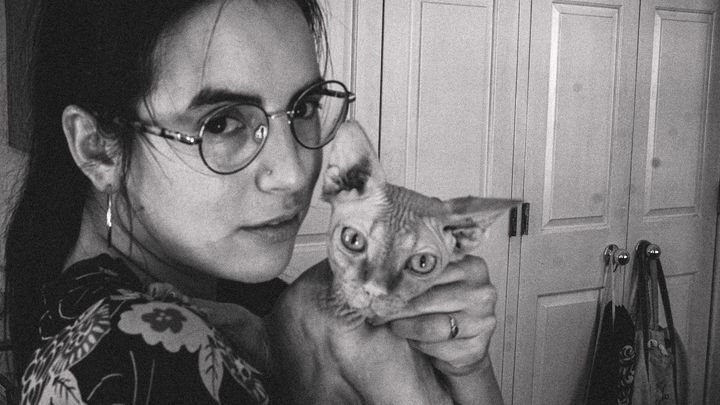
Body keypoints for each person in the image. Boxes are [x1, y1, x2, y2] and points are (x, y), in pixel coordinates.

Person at [4, 0, 503, 403]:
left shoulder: (235, 289)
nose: (294, 173)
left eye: (304, 107)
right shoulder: (148, 358)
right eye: (221, 122)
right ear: (99, 148)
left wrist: (467, 366)